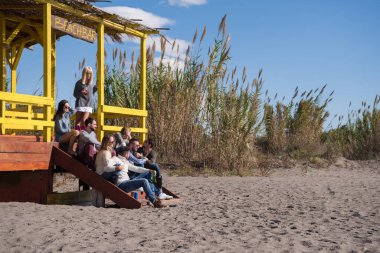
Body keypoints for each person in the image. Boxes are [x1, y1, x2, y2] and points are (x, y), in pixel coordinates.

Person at [95, 135, 163, 208]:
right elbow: (107, 167)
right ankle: (154, 200)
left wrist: (149, 170)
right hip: (122, 184)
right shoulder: (115, 159)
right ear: (125, 154)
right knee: (144, 181)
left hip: (127, 181)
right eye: (128, 153)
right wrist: (117, 168)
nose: (129, 155)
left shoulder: (125, 161)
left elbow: (136, 168)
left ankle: (153, 195)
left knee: (149, 174)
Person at [73, 66, 97, 130]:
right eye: (87, 73)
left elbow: (92, 93)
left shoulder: (92, 84)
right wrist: (81, 93)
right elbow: (75, 94)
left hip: (88, 104)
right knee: (78, 121)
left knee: (84, 120)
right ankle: (77, 134)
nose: (88, 75)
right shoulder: (79, 83)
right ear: (84, 73)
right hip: (80, 103)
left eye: (90, 73)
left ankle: (83, 134)